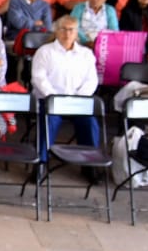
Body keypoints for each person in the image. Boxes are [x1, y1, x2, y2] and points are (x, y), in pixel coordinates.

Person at [31, 16, 100, 176]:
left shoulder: (86, 54)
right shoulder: (45, 51)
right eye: (63, 29)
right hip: (50, 100)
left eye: (71, 30)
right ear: (56, 30)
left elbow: (92, 80)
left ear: (77, 33)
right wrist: (55, 99)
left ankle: (89, 164)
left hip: (78, 101)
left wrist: (78, 98)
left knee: (89, 122)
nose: (67, 33)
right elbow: (39, 78)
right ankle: (41, 162)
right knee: (49, 121)